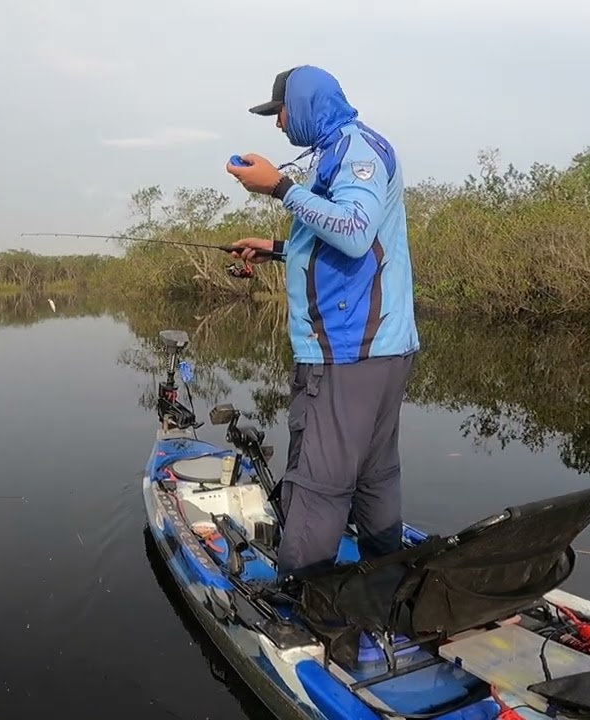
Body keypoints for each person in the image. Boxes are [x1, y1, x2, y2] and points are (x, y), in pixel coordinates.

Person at [225, 65, 419, 583]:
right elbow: (349, 243)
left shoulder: (356, 152)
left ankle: (307, 610)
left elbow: (354, 232)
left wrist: (280, 187)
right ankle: (388, 583)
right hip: (379, 350)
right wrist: (279, 249)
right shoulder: (344, 149)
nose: (278, 124)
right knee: (375, 476)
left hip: (345, 352)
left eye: (280, 112)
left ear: (306, 105)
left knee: (317, 485)